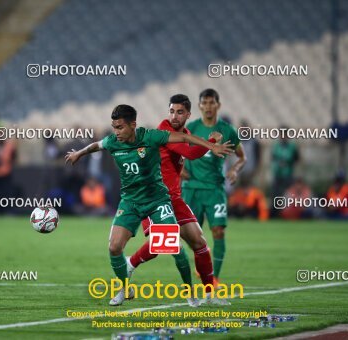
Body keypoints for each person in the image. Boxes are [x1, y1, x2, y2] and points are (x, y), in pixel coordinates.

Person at [65, 104, 233, 306]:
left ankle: (190, 293)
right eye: (114, 127)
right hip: (130, 201)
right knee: (114, 247)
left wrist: (211, 145)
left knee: (175, 249)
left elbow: (185, 138)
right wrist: (78, 154)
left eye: (120, 127)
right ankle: (125, 288)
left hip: (157, 201)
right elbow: (95, 145)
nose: (116, 132)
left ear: (133, 125)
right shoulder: (112, 141)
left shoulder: (151, 137)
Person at [127, 94, 229, 306]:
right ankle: (129, 264)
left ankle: (209, 296)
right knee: (162, 244)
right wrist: (211, 142)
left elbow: (182, 155)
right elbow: (190, 153)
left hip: (173, 198)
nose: (174, 116)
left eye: (179, 112)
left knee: (199, 243)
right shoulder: (165, 129)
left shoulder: (187, 133)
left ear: (188, 114)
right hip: (153, 197)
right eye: (172, 111)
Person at [181, 89, 246, 288]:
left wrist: (235, 170)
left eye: (211, 103)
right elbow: (175, 151)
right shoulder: (190, 128)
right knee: (191, 237)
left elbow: (242, 157)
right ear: (199, 106)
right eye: (204, 103)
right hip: (191, 188)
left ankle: (214, 279)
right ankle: (203, 264)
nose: (208, 107)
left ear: (218, 105)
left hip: (215, 189)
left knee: (218, 231)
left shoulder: (227, 130)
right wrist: (179, 169)